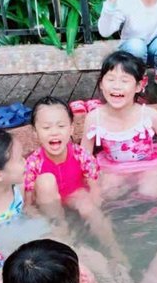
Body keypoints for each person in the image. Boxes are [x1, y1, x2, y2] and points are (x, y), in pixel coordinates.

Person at [24, 96, 123, 262]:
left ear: (71, 129)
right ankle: (65, 240)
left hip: (73, 194)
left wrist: (94, 209)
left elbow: (95, 187)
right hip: (49, 201)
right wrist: (37, 219)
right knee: (46, 184)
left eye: (61, 126)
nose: (54, 132)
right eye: (46, 127)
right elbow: (28, 204)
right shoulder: (33, 163)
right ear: (35, 132)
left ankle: (114, 249)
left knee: (87, 207)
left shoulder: (80, 154)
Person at [82, 51, 157, 198]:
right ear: (101, 84)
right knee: (108, 194)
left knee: (151, 193)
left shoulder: (149, 116)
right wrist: (91, 186)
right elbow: (85, 156)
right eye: (111, 79)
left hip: (148, 166)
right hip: (113, 168)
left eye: (124, 80)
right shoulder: (94, 118)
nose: (116, 86)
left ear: (139, 86)